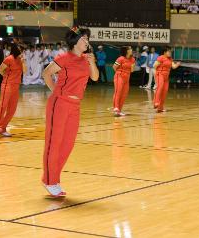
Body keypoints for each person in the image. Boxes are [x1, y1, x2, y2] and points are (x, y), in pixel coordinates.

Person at [41, 27, 99, 197]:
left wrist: (92, 61)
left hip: (75, 106)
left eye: (88, 39)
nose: (86, 41)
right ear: (75, 41)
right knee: (54, 143)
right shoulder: (64, 58)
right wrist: (55, 92)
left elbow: (94, 77)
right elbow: (46, 73)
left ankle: (52, 177)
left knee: (68, 144)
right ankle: (50, 180)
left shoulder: (86, 60)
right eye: (83, 38)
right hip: (59, 103)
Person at [0, 43, 26, 137]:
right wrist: (6, 77)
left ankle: (3, 128)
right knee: (3, 105)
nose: (22, 52)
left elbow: (25, 71)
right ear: (16, 50)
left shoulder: (21, 60)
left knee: (12, 109)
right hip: (7, 85)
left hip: (16, 86)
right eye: (21, 50)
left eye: (22, 50)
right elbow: (0, 70)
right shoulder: (9, 58)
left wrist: (23, 62)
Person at [153, 46, 181, 113]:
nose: (170, 53)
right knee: (160, 87)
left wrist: (177, 64)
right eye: (169, 51)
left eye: (170, 51)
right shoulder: (161, 57)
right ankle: (155, 102)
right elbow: (154, 66)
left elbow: (173, 67)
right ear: (165, 52)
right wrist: (156, 75)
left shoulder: (170, 59)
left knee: (164, 91)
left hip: (166, 77)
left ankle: (160, 108)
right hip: (160, 74)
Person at [112, 46, 136, 117]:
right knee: (118, 92)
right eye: (130, 49)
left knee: (124, 94)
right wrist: (119, 73)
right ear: (126, 51)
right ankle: (116, 107)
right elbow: (114, 67)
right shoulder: (120, 58)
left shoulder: (132, 59)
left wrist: (133, 64)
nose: (131, 50)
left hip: (127, 78)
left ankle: (119, 111)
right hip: (119, 76)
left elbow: (132, 70)